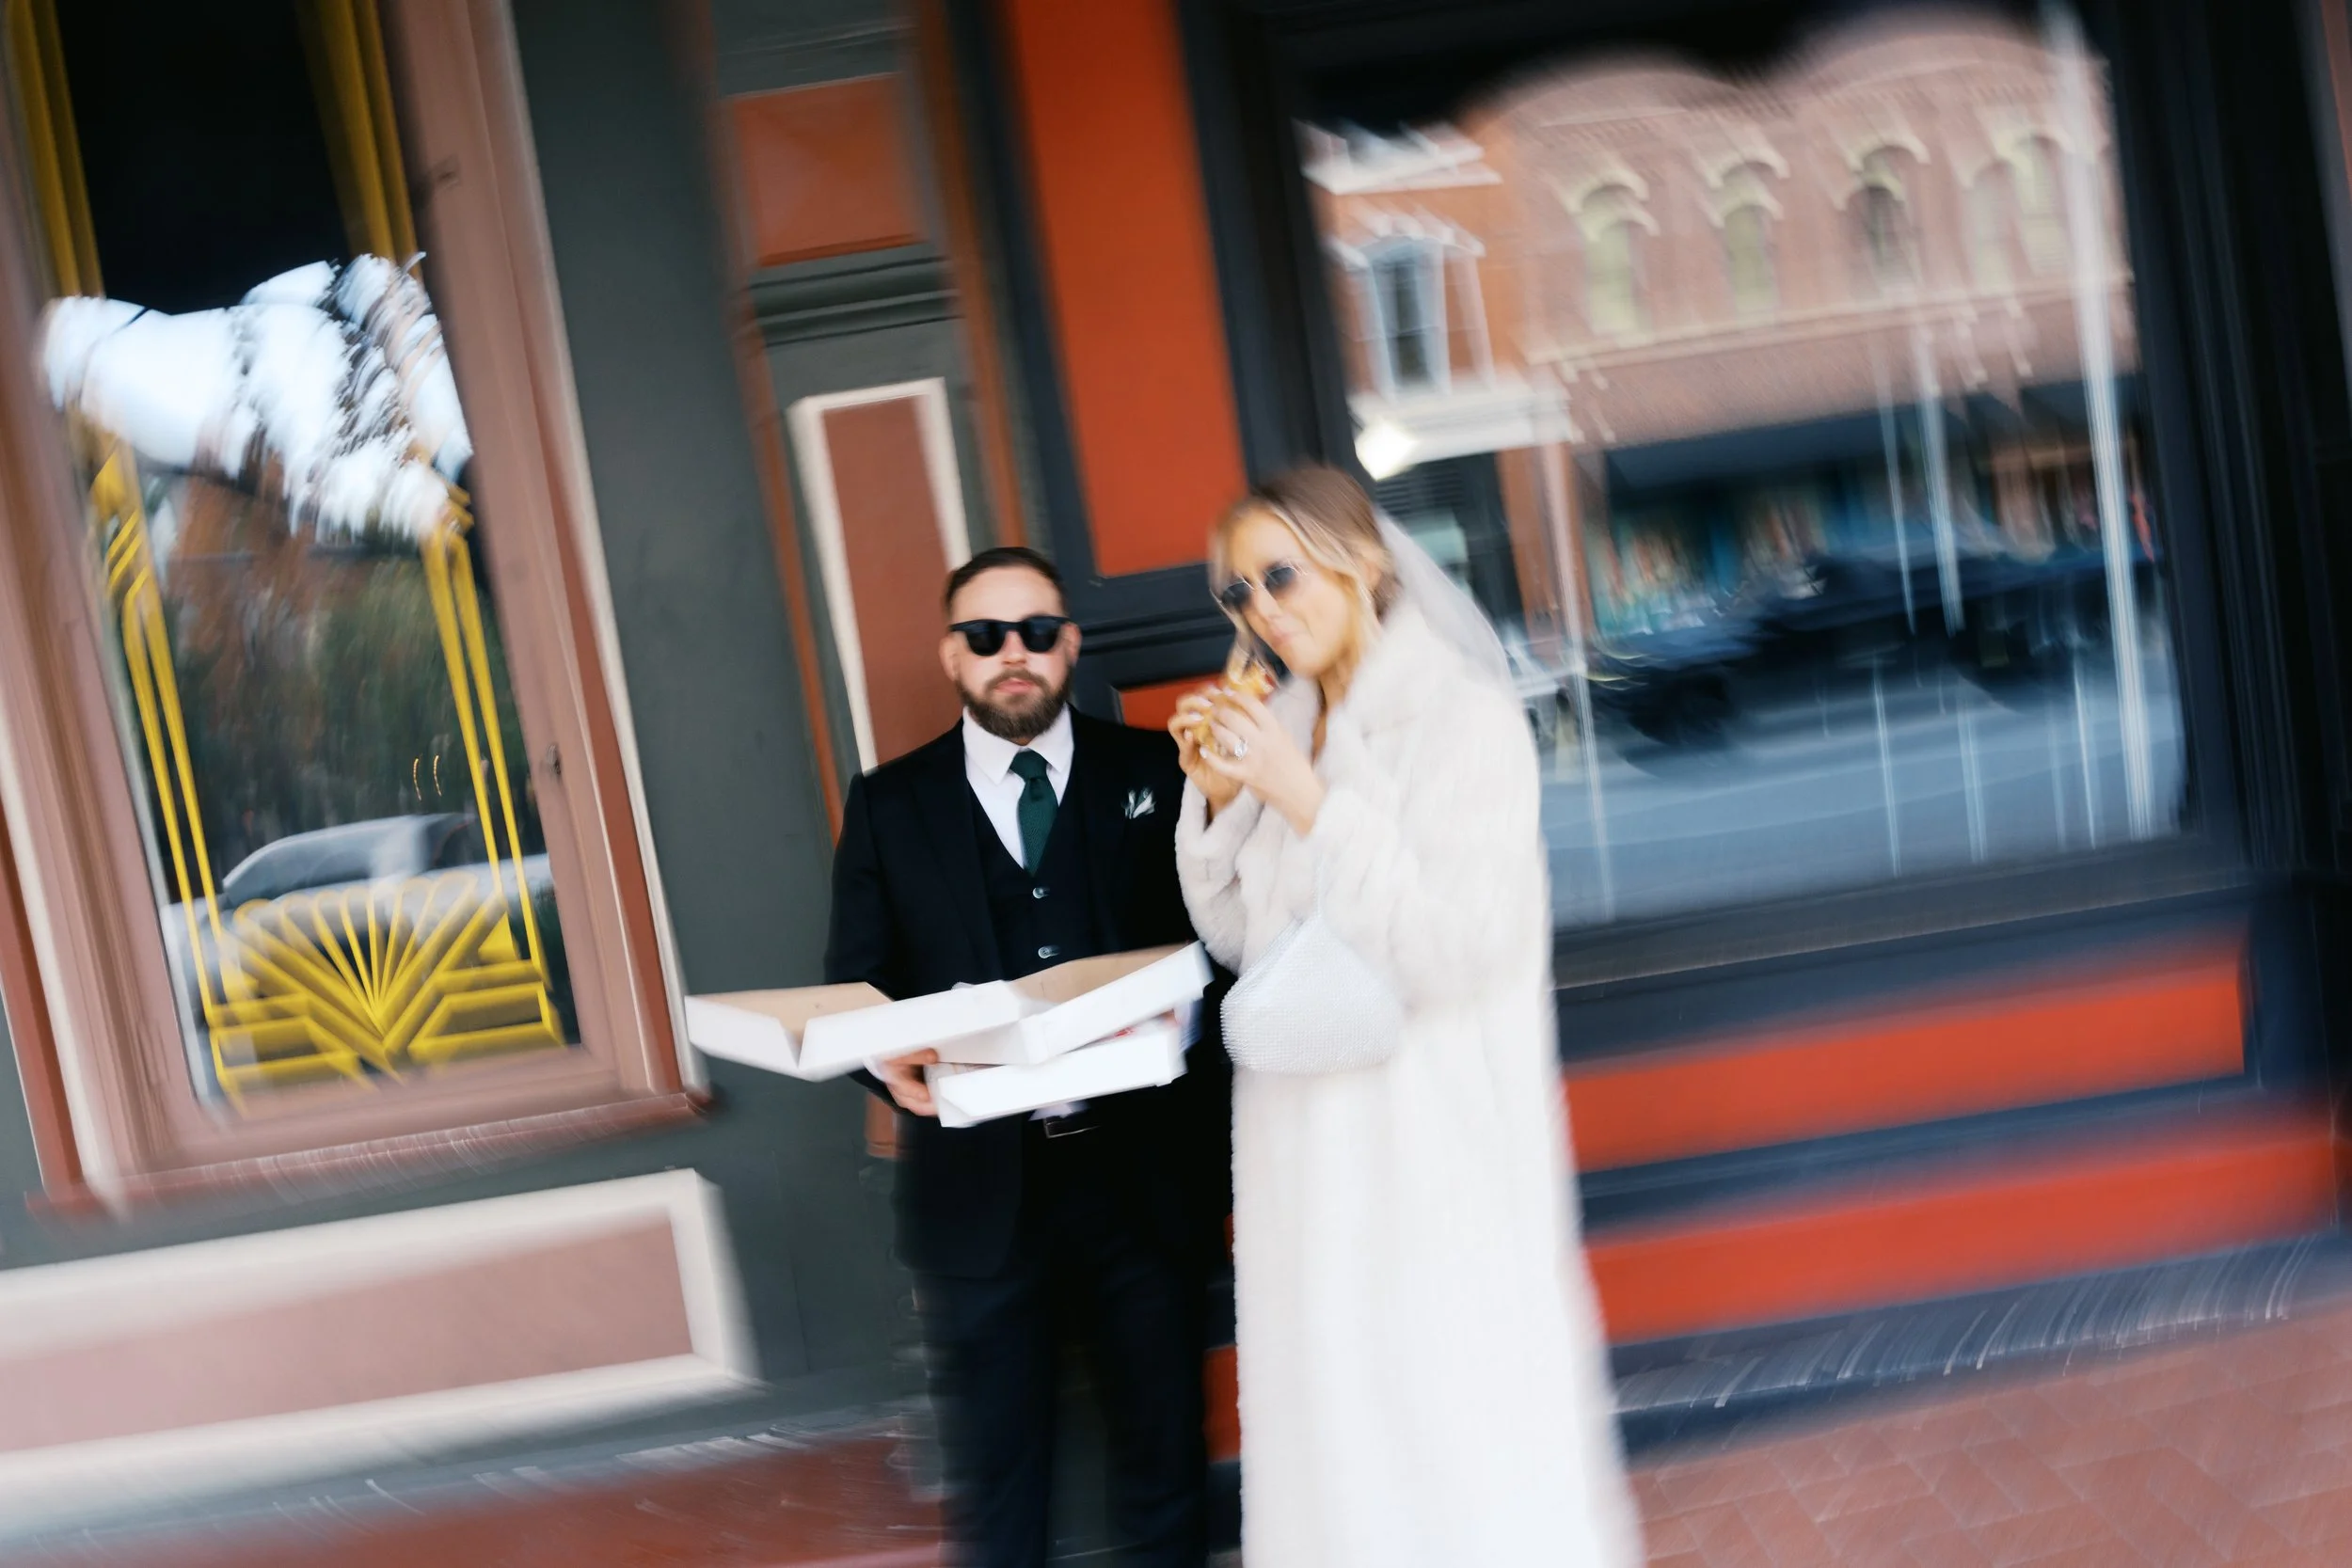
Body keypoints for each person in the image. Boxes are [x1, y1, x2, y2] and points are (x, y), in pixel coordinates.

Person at [1169, 467, 1642, 1567]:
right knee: (1335, 1421)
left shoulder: (1461, 717)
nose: (1262, 610)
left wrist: (1309, 799)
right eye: (1238, 594)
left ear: (1365, 560)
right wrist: (1221, 805)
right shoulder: (1286, 718)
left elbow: (1457, 944)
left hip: (1423, 1135)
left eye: (1279, 573)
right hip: (1301, 1138)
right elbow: (1248, 942)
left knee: (1443, 1413)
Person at [825, 546, 1228, 1568]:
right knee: (1001, 1493)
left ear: (1071, 644)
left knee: (1165, 1471)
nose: (1015, 653)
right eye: (987, 635)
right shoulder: (888, 803)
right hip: (980, 1200)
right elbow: (856, 985)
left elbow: (1225, 951)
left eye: (1038, 632)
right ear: (951, 654)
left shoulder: (1156, 771)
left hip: (1142, 1187)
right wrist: (889, 1059)